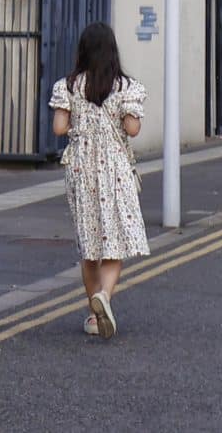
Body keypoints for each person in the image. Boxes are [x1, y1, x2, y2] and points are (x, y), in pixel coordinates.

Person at [49, 21, 150, 338]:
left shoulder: (68, 86)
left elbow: (59, 128)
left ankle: (94, 318)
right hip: (115, 169)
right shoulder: (126, 87)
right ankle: (104, 296)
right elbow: (132, 129)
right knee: (115, 240)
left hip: (81, 169)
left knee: (89, 244)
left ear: (83, 51)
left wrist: (81, 122)